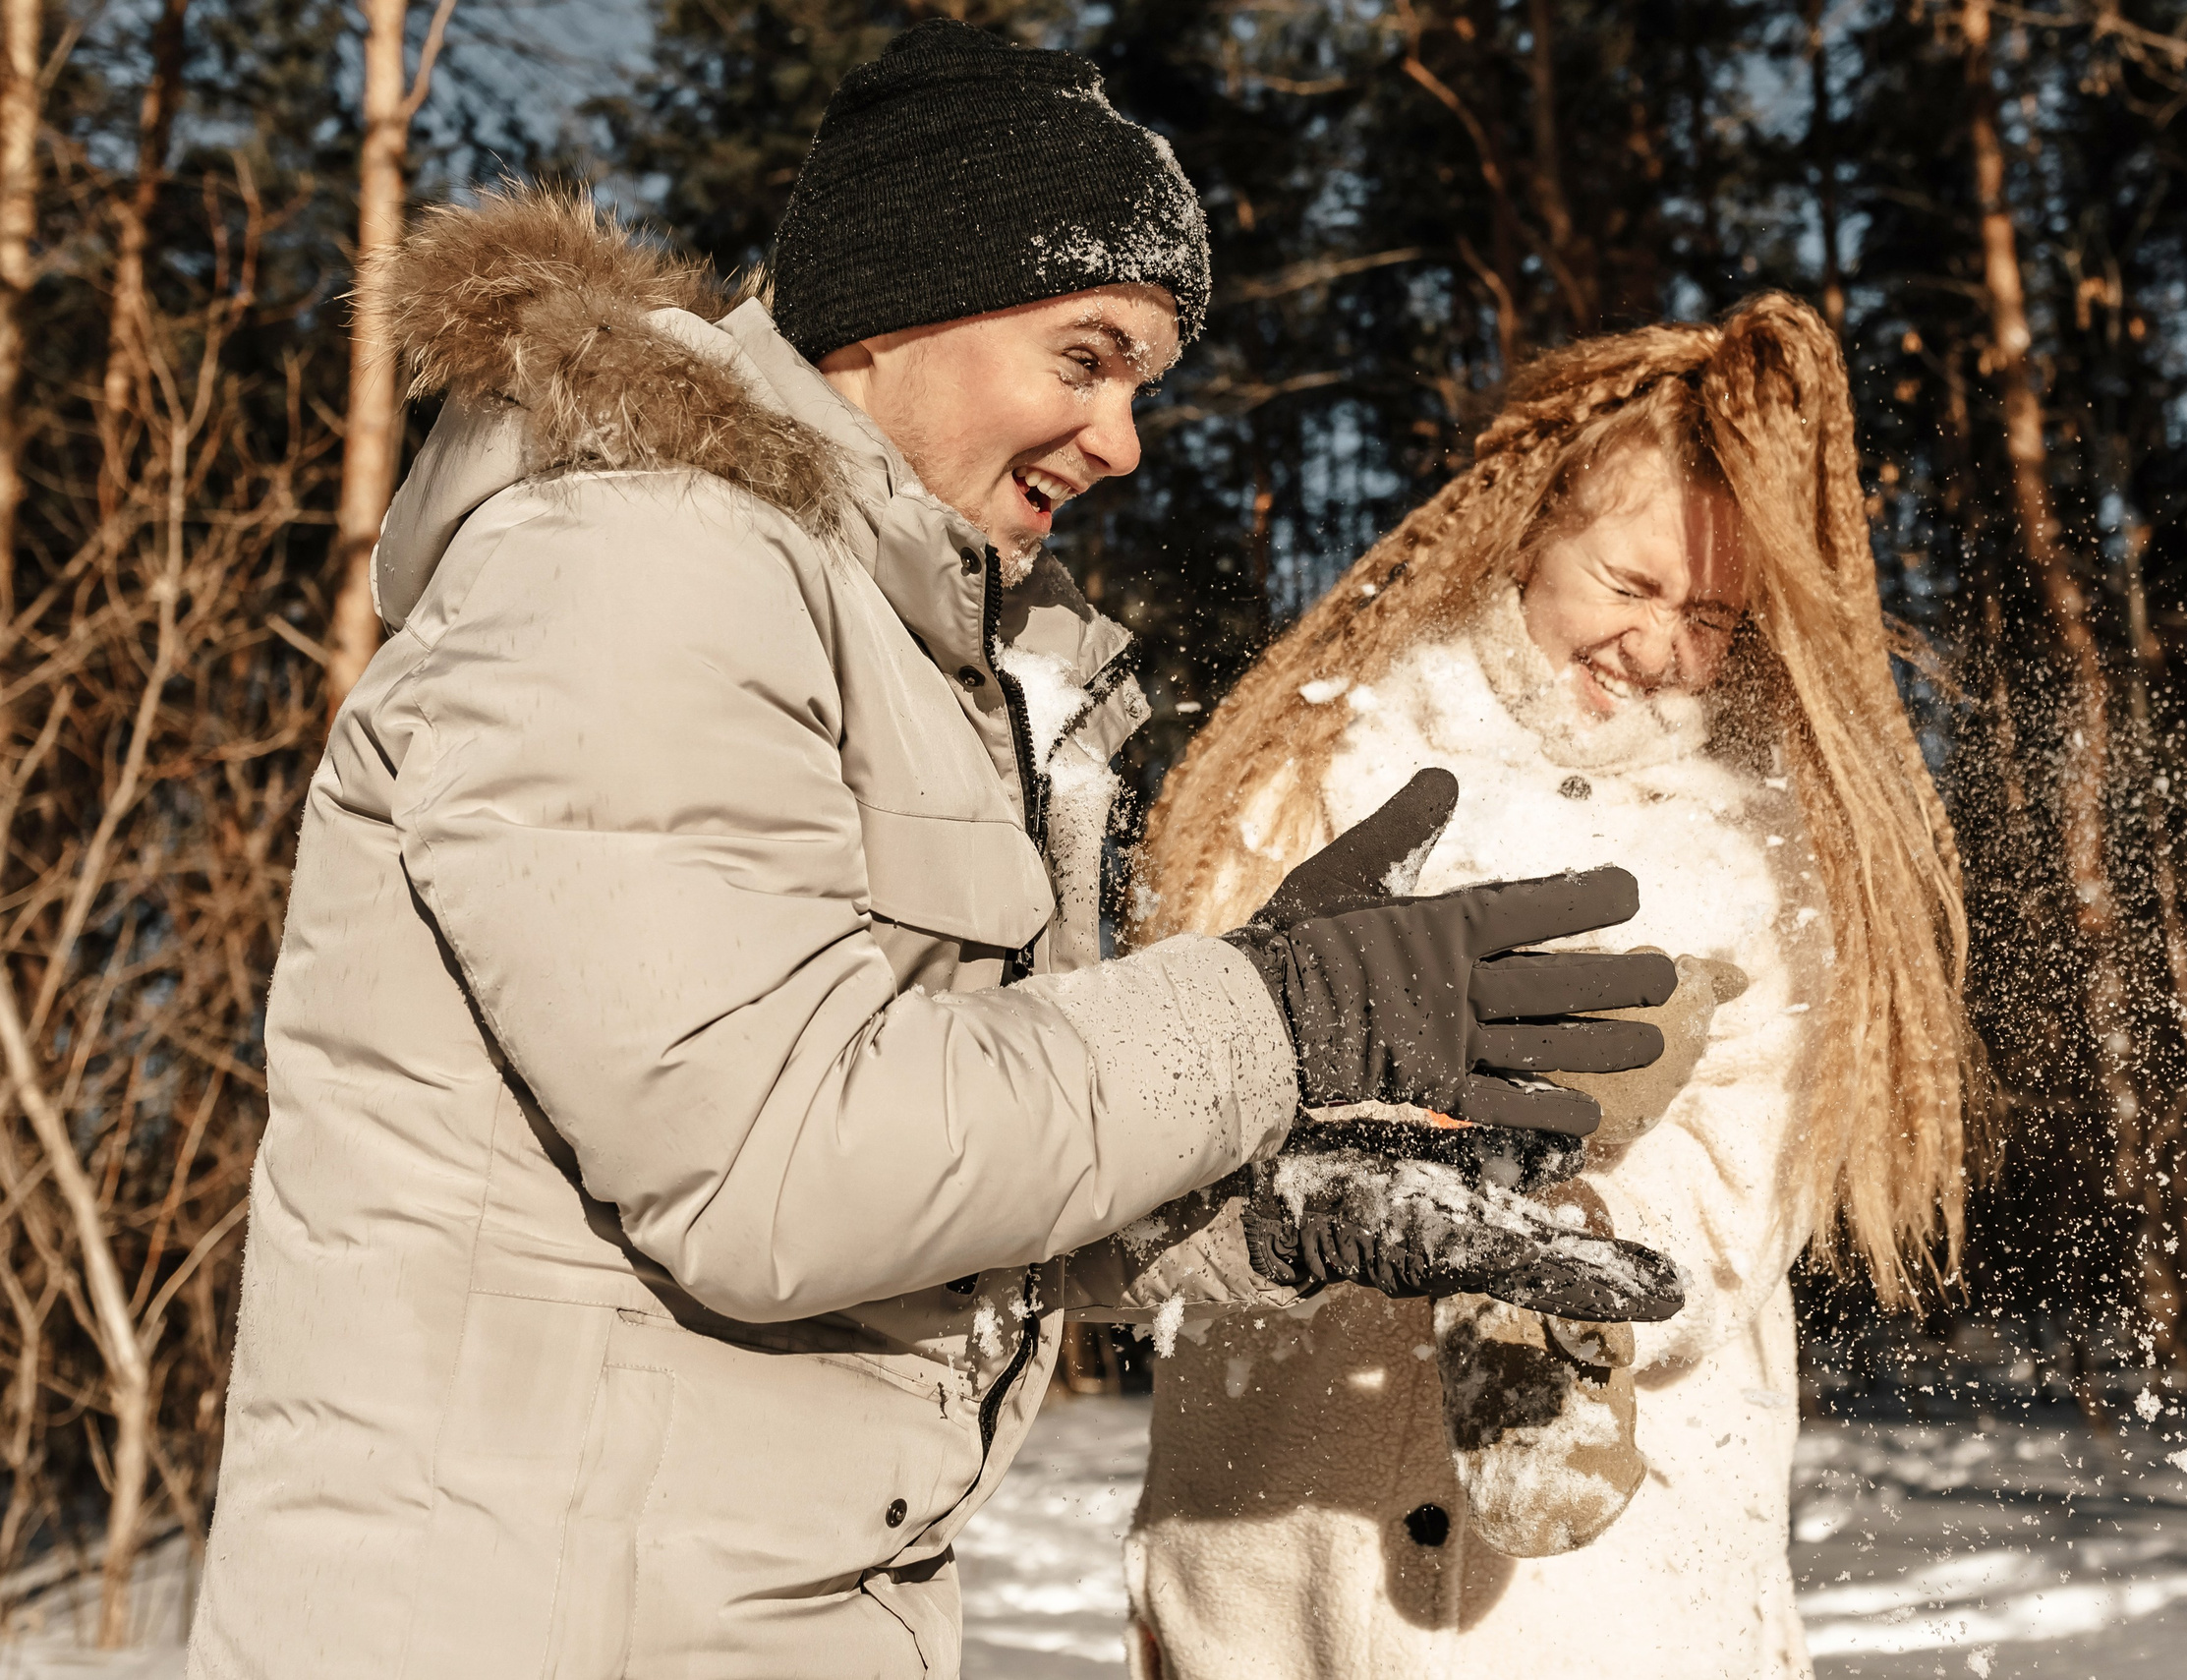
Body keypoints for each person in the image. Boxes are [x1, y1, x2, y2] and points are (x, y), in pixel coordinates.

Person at [187, 23, 1688, 1679]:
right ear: (894, 307)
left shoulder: (910, 657)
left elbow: (927, 1174)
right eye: (1087, 357)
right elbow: (776, 1167)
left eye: (1144, 383)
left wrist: (1261, 1198)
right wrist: (1273, 1012)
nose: (1122, 439)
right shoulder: (632, 565)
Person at [1122, 297, 1974, 1679]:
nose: (1659, 645)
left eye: (1710, 614)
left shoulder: (1762, 863)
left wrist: (1578, 1241)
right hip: (1279, 1571)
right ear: (1530, 532)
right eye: (1629, 586)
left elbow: (1747, 1180)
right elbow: (1169, 1078)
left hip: (1609, 1616)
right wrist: (1356, 1162)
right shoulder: (1321, 770)